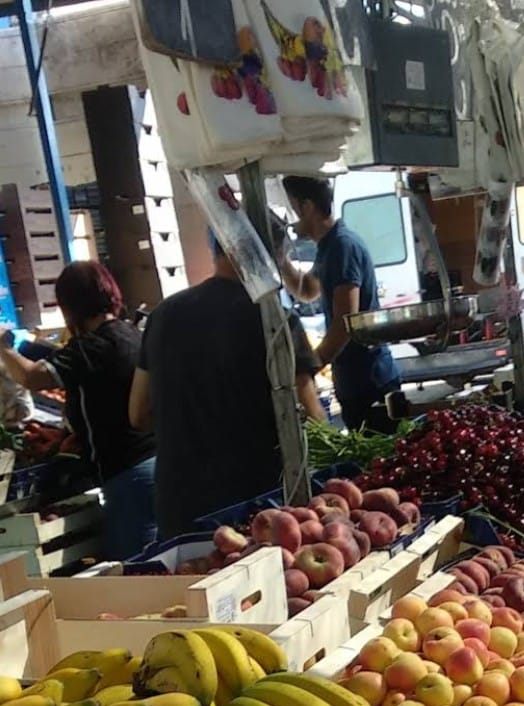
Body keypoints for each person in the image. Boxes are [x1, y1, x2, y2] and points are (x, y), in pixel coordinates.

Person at [129, 235, 326, 540]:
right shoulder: (276, 321)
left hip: (179, 506)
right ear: (272, 256)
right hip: (256, 511)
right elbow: (314, 419)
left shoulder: (163, 314)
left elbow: (139, 414)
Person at [0, 262, 155, 558]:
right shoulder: (130, 334)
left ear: (70, 307)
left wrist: (3, 347)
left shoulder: (92, 346)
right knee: (155, 558)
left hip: (127, 473)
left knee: (137, 565)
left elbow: (31, 377)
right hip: (155, 463)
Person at [278, 175, 400, 433]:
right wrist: (281, 261)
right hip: (352, 380)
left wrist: (310, 368)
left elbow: (345, 322)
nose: (291, 219)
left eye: (292, 207)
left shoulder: (342, 246)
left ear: (307, 207)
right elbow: (308, 290)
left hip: (369, 380)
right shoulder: (328, 246)